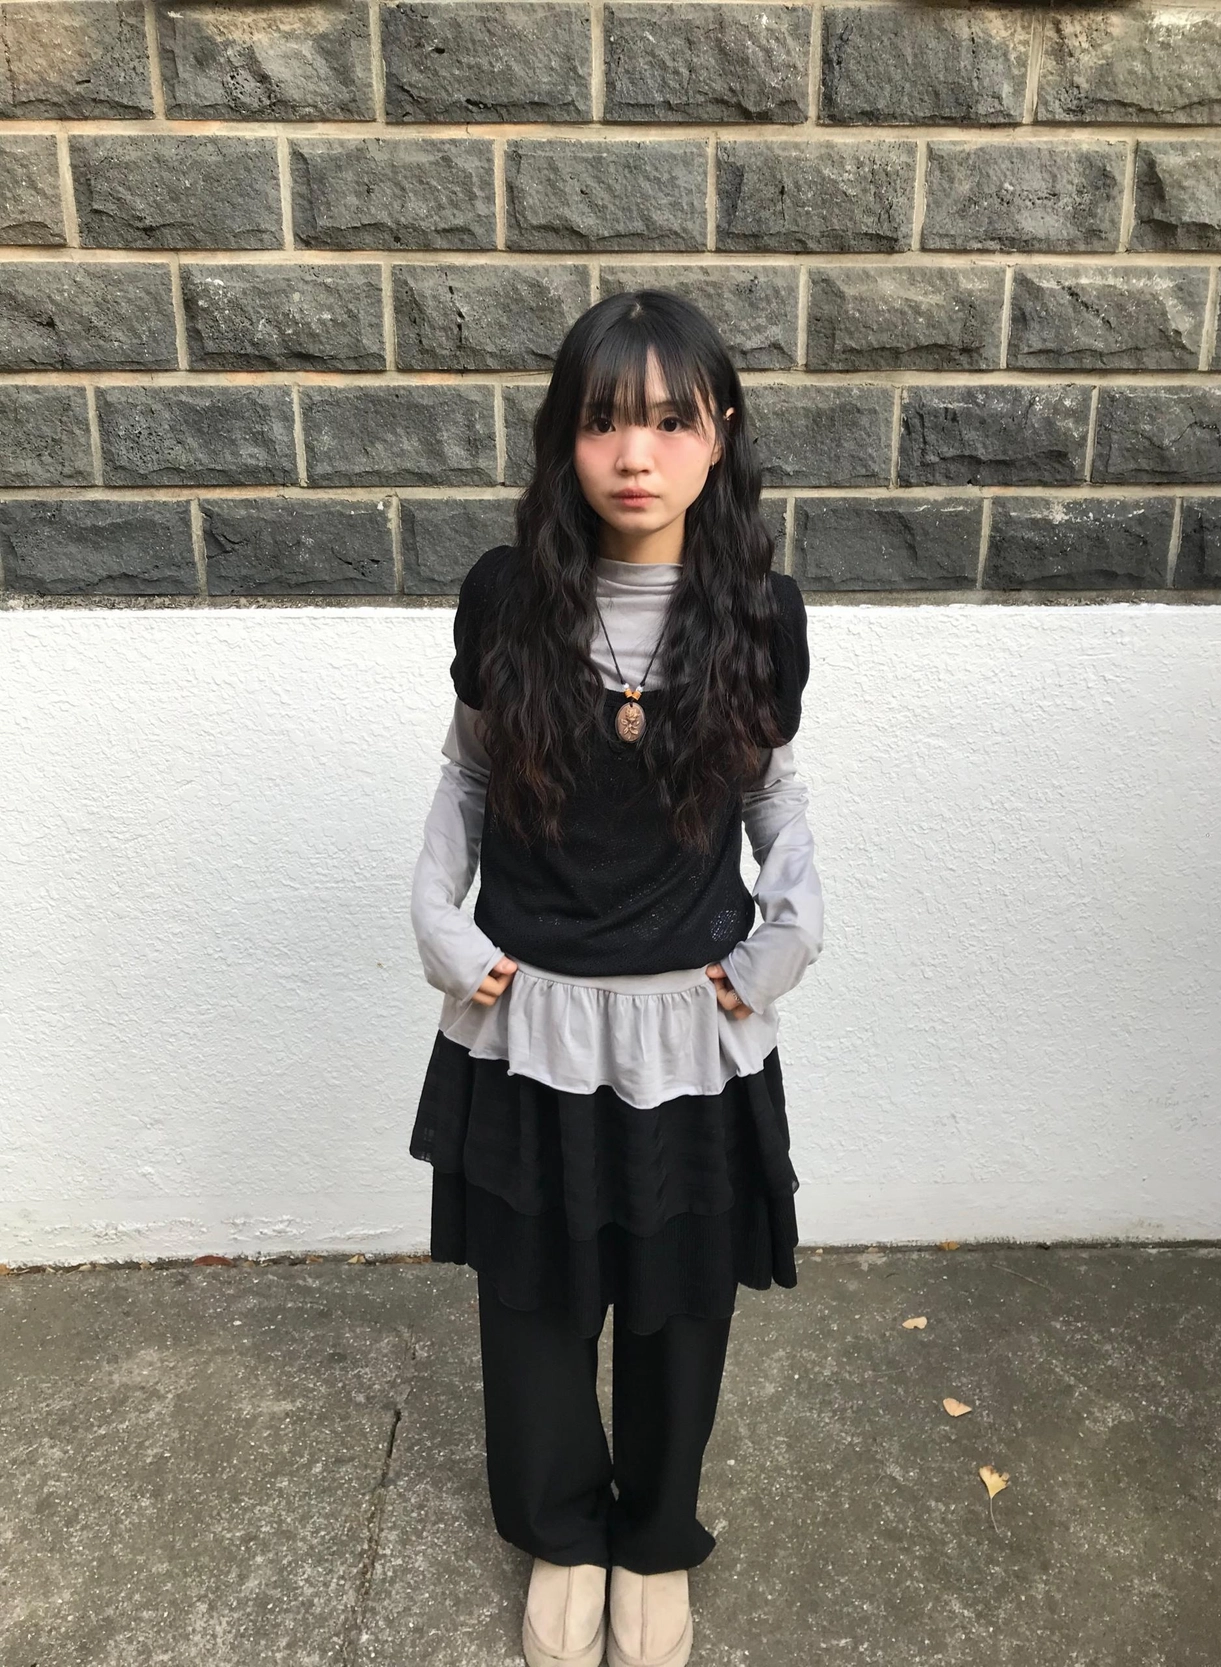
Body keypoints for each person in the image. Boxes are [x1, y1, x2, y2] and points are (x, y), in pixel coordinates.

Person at [408, 288, 823, 1667]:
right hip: (528, 1018)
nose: (634, 454)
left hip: (686, 1029)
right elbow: (468, 774)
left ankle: (652, 1536)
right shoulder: (506, 600)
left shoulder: (757, 613)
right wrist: (441, 926)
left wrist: (785, 939)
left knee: (676, 1296)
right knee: (532, 1299)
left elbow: (773, 795)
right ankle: (562, 1530)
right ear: (561, 439)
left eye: (668, 421)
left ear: (721, 435)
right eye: (601, 421)